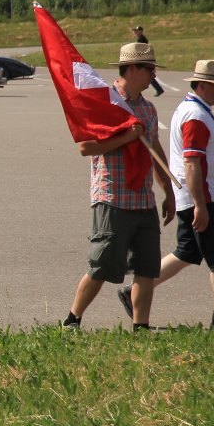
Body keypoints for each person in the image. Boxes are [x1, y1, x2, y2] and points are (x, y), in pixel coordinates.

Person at [118, 60, 214, 329]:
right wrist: (200, 205)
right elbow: (192, 162)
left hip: (194, 196)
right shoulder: (195, 116)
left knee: (188, 251)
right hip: (204, 197)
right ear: (202, 85)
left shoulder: (192, 109)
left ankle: (135, 290)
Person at [62, 42, 177, 330]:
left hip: (143, 200)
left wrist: (169, 192)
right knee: (102, 265)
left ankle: (141, 326)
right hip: (112, 197)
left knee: (147, 268)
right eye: (149, 69)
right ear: (133, 69)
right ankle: (72, 320)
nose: (154, 75)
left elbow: (154, 151)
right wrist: (126, 138)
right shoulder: (105, 103)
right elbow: (86, 147)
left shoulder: (148, 109)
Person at [132, 25, 164, 96]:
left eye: (137, 31)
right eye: (135, 31)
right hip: (145, 60)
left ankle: (137, 91)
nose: (135, 32)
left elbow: (141, 51)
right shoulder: (142, 38)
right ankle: (159, 89)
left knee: (143, 76)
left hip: (144, 60)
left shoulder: (141, 39)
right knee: (147, 76)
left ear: (141, 31)